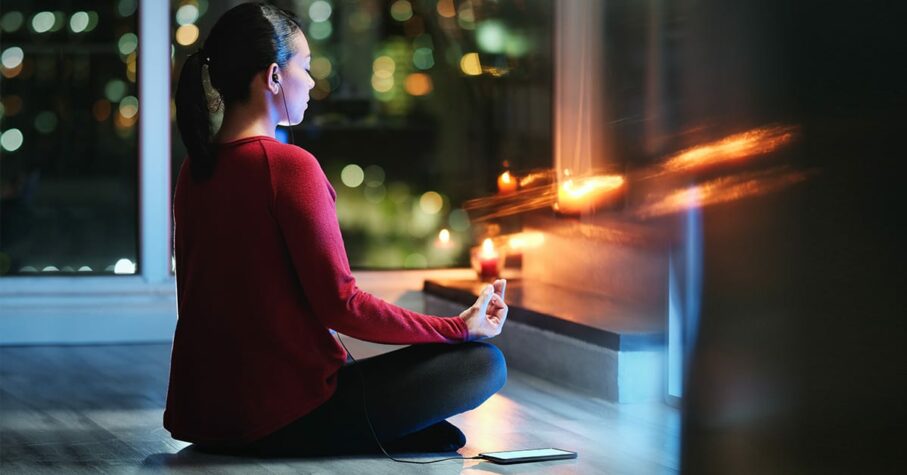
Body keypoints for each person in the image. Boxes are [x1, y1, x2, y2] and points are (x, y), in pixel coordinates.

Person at [164, 2, 508, 457]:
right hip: (283, 414)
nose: (311, 82)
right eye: (304, 68)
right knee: (484, 364)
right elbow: (341, 305)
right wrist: (459, 327)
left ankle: (374, 431)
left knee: (436, 424)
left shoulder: (196, 168)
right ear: (272, 77)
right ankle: (358, 432)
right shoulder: (287, 167)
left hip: (209, 418)